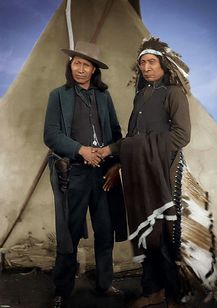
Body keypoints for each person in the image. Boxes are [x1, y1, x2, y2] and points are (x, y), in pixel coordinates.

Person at [100, 37, 191, 308]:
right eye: (142, 63)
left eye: (152, 62)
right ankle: (152, 291)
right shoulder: (140, 96)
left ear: (163, 64)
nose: (146, 67)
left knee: (165, 233)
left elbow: (181, 136)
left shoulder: (173, 93)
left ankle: (174, 296)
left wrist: (145, 151)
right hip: (140, 170)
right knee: (146, 234)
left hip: (163, 170)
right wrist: (111, 155)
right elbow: (131, 138)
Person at [44, 41, 127, 308]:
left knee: (105, 230)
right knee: (68, 233)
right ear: (71, 65)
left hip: (102, 173)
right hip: (74, 174)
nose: (80, 68)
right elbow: (51, 135)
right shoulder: (58, 95)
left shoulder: (104, 97)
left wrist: (107, 154)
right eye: (77, 63)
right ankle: (62, 289)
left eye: (86, 64)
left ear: (93, 70)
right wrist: (81, 150)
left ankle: (104, 284)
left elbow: (117, 134)